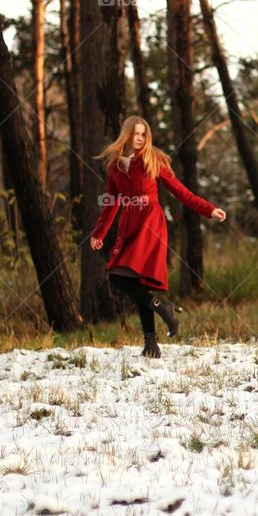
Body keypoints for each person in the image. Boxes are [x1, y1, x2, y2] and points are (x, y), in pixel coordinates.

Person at [90, 116, 227, 357]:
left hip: (150, 224)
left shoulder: (153, 161)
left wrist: (209, 209)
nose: (141, 138)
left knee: (123, 279)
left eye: (144, 134)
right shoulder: (116, 166)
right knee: (128, 280)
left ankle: (164, 310)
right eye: (137, 134)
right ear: (127, 134)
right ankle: (152, 342)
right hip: (128, 226)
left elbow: (181, 192)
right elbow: (111, 203)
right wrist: (99, 233)